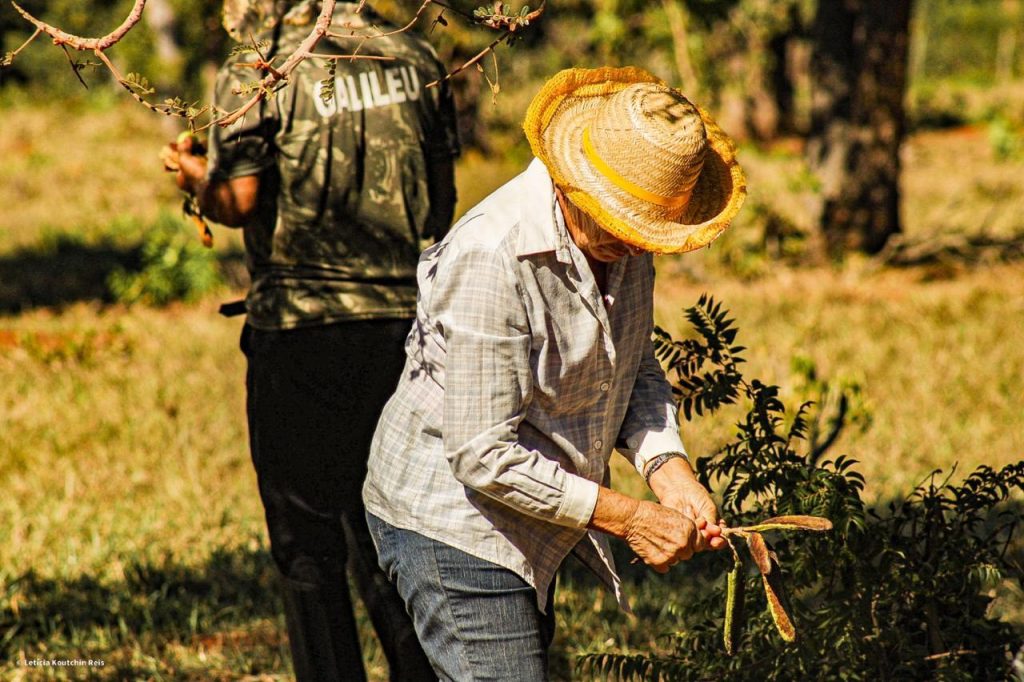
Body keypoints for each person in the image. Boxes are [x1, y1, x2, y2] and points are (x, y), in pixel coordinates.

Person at [362, 65, 747, 680]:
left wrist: (668, 471)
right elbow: (482, 455)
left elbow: (633, 364)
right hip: (454, 522)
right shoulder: (494, 255)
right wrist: (631, 518)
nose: (638, 243)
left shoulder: (623, 244)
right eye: (626, 224)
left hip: (532, 518)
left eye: (648, 231)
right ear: (578, 185)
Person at [163, 1, 459, 680]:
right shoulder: (413, 55)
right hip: (404, 332)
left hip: (299, 334)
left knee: (308, 550)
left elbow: (237, 202)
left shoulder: (260, 66)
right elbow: (440, 210)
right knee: (393, 536)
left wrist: (193, 178)